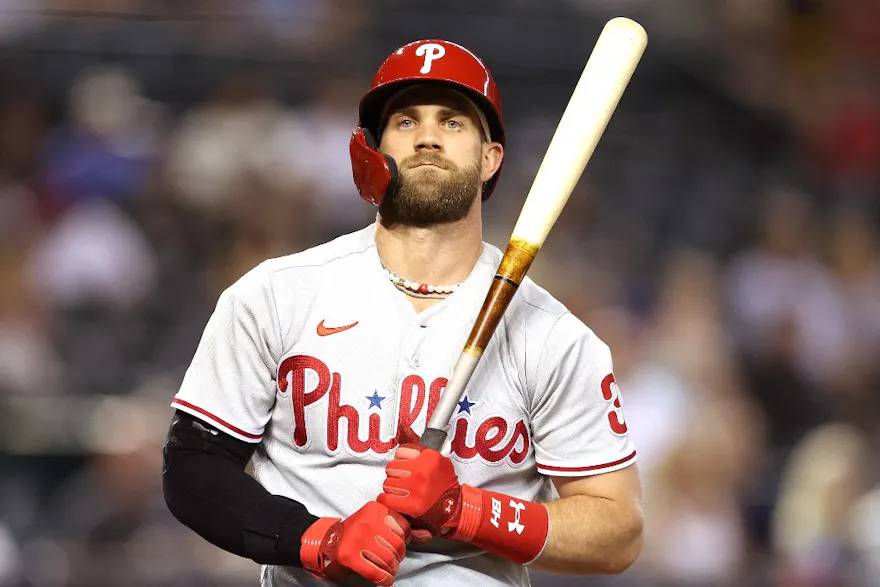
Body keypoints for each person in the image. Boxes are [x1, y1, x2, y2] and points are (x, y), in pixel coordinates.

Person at [162, 39, 644, 587]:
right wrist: (317, 539)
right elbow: (193, 471)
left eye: (454, 122)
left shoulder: (552, 335)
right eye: (406, 121)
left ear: (491, 160)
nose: (429, 137)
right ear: (373, 149)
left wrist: (467, 511)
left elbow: (618, 529)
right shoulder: (275, 296)